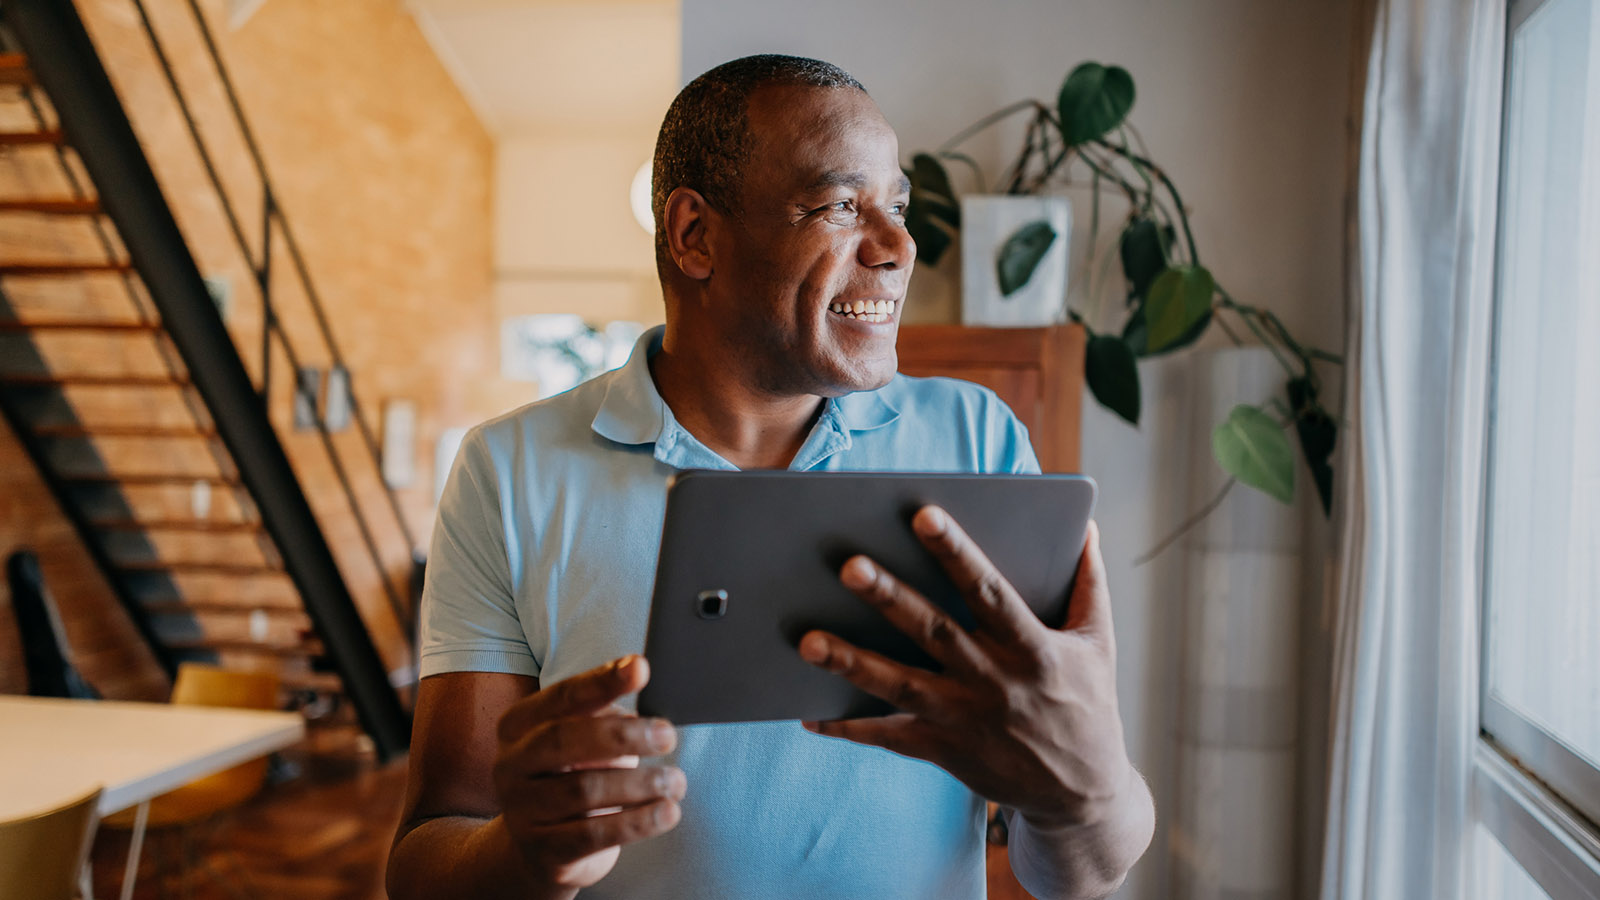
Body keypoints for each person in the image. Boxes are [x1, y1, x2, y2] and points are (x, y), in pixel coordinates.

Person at [387, 54, 1154, 900]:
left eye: (896, 207)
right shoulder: (510, 470)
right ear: (694, 236)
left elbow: (1079, 869)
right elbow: (428, 856)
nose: (900, 245)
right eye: (839, 206)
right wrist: (523, 855)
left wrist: (1087, 785)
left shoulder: (977, 441)